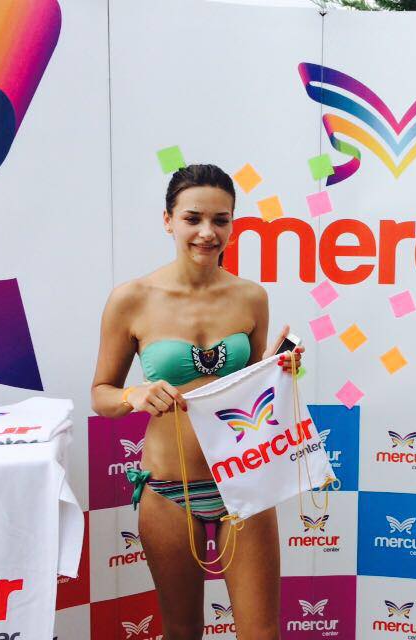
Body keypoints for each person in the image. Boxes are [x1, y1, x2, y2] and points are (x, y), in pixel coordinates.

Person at [91, 164, 303, 640]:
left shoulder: (251, 297)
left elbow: (247, 389)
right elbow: (101, 394)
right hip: (169, 490)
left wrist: (277, 369)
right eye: (193, 218)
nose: (208, 232)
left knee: (261, 633)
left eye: (220, 220)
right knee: (183, 631)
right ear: (168, 220)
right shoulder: (131, 299)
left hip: (243, 482)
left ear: (232, 224)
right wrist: (134, 394)